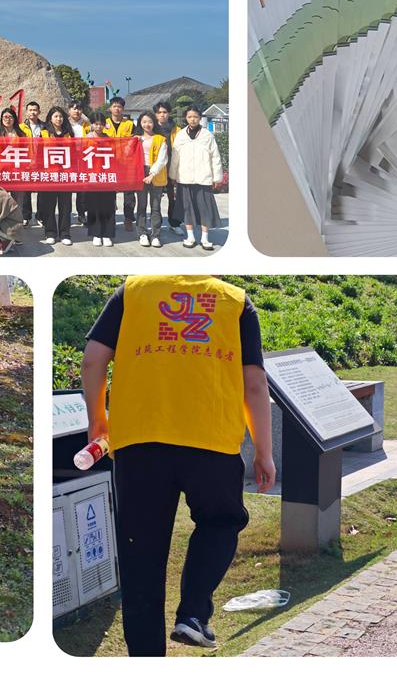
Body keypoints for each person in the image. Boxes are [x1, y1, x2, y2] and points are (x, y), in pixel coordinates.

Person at [80, 274, 275, 654]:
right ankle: (194, 614)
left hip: (140, 442)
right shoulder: (234, 301)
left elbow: (92, 361)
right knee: (220, 521)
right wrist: (263, 451)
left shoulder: (132, 292)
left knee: (142, 560)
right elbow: (254, 383)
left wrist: (97, 422)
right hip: (212, 441)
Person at [169, 106, 225, 250]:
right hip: (184, 178)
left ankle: (205, 238)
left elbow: (215, 157)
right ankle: (190, 236)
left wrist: (216, 177)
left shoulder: (207, 135)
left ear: (200, 118)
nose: (192, 119)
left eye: (195, 116)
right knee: (187, 208)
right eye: (189, 117)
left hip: (203, 178)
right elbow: (175, 157)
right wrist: (173, 175)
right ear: (186, 118)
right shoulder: (181, 135)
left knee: (204, 209)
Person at [40, 106, 76, 245]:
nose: (58, 119)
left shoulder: (69, 133)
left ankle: (65, 233)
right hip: (49, 176)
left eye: (61, 116)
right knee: (49, 206)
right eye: (55, 116)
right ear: (50, 118)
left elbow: (74, 154)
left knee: (65, 206)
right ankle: (50, 232)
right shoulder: (44, 133)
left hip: (65, 176)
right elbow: (38, 154)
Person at [82, 112, 118, 247]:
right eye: (96, 124)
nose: (98, 127)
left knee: (108, 206)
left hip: (107, 178)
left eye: (101, 124)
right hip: (92, 177)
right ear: (91, 124)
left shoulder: (109, 139)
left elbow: (115, 158)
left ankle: (107, 234)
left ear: (104, 125)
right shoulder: (86, 139)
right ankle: (96, 233)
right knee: (94, 206)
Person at [102, 96, 137, 231]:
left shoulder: (129, 124)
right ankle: (110, 217)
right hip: (109, 162)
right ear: (110, 108)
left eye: (120, 107)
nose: (117, 109)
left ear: (123, 109)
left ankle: (128, 218)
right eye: (115, 106)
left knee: (129, 192)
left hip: (126, 163)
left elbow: (134, 141)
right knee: (109, 192)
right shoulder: (104, 124)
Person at [134, 111, 169, 247]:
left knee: (155, 207)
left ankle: (155, 235)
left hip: (156, 173)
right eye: (144, 122)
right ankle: (142, 233)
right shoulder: (136, 138)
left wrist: (152, 174)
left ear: (154, 123)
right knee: (141, 205)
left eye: (149, 121)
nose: (147, 124)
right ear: (140, 123)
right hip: (140, 172)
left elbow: (162, 159)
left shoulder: (160, 139)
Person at [155, 101, 183, 233]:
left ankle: (174, 223)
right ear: (155, 114)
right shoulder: (152, 129)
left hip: (172, 168)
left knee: (173, 198)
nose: (162, 115)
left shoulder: (176, 130)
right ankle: (157, 224)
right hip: (157, 169)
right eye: (159, 112)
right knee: (156, 198)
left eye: (164, 112)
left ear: (169, 113)